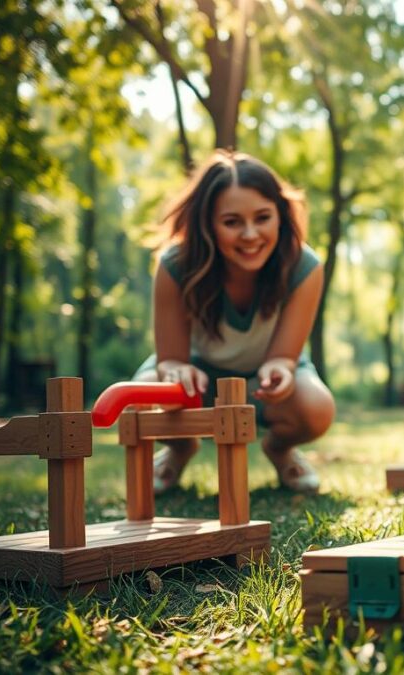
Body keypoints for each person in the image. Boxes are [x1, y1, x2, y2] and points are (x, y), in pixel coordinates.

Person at [133, 150, 335, 493]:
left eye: (263, 217)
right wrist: (176, 372)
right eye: (232, 222)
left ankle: (280, 449)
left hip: (265, 383)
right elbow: (170, 359)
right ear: (207, 224)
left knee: (316, 407)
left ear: (280, 216)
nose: (250, 234)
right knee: (141, 400)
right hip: (199, 384)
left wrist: (282, 371)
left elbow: (285, 358)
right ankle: (180, 449)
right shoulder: (175, 266)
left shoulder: (304, 265)